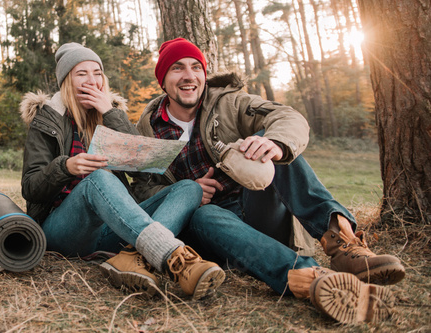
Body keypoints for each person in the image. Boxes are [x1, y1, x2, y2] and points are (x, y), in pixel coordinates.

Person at [130, 38, 405, 324]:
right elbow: (143, 187)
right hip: (211, 233)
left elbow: (286, 116)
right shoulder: (148, 127)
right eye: (177, 68)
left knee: (269, 147)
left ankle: (343, 244)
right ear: (163, 80)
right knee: (204, 215)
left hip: (258, 208)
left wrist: (276, 142)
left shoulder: (229, 102)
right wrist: (186, 192)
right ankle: (311, 278)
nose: (189, 76)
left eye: (196, 67)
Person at [20, 42, 225, 300]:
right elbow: (31, 189)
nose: (92, 81)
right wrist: (65, 167)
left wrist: (109, 112)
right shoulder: (46, 122)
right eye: (81, 74)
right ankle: (174, 258)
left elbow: (145, 172)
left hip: (112, 229)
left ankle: (132, 259)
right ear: (66, 82)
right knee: (99, 178)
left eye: (97, 73)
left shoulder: (111, 115)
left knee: (190, 188)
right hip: (62, 230)